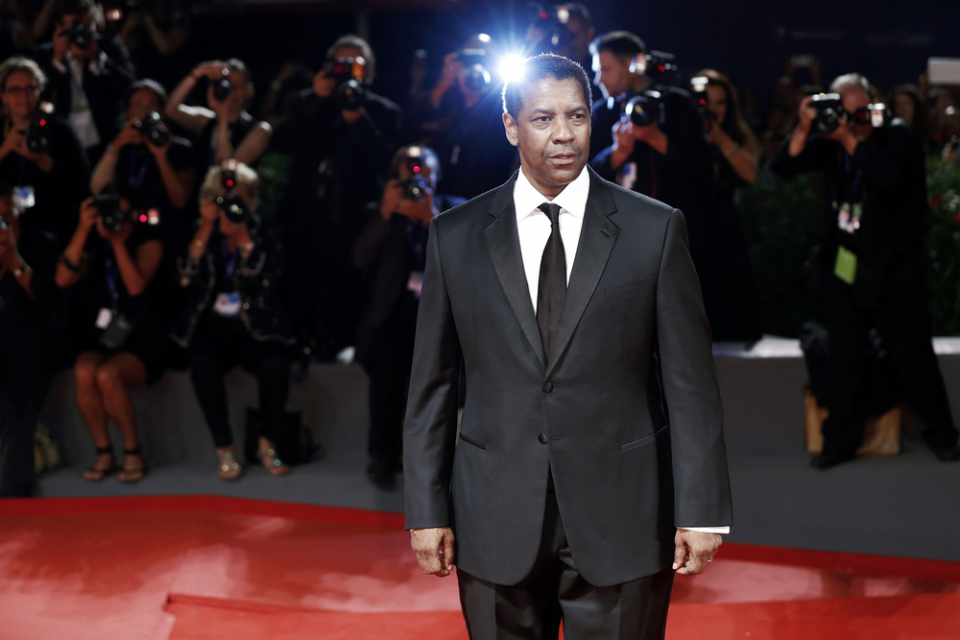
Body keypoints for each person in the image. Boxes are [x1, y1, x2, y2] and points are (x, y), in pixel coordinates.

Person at [404, 54, 732, 640]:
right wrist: (426, 510)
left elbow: (690, 381)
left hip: (624, 514)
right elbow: (431, 384)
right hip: (494, 513)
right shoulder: (454, 237)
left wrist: (702, 507)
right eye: (542, 118)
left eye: (577, 116)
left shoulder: (654, 229)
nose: (563, 134)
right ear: (510, 126)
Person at [775, 72, 960, 468]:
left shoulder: (897, 134)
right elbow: (784, 166)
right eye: (847, 112)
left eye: (862, 111)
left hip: (895, 266)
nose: (854, 120)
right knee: (845, 355)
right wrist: (805, 125)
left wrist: (848, 139)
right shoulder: (832, 137)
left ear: (875, 105)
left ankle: (943, 434)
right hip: (846, 263)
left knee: (912, 355)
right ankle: (841, 440)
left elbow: (888, 176)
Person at [272, 34, 400, 358]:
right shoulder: (311, 102)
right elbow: (283, 141)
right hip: (306, 220)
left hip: (351, 222)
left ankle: (340, 356)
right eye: (340, 63)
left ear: (368, 73)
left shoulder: (382, 111)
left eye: (355, 64)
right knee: (298, 294)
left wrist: (358, 121)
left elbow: (387, 162)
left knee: (345, 299)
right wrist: (315, 99)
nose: (347, 70)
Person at [171, 162, 296, 479]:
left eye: (238, 200)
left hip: (256, 325)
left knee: (276, 366)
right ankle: (224, 449)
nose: (231, 206)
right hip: (213, 327)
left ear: (251, 199)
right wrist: (204, 229)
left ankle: (267, 445)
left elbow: (266, 279)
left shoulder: (264, 231)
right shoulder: (203, 230)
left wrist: (241, 235)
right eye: (223, 199)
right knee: (202, 367)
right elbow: (184, 279)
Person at [352, 145, 464, 490]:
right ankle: (381, 458)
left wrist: (431, 218)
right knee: (386, 371)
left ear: (436, 174)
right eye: (407, 171)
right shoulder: (383, 212)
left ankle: (442, 464)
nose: (415, 177)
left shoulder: (455, 211)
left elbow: (466, 263)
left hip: (446, 321)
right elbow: (359, 260)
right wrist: (386, 215)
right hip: (393, 319)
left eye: (422, 170)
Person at [587, 32, 714, 312]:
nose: (598, 80)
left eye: (605, 69)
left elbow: (703, 166)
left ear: (633, 64)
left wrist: (656, 137)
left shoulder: (675, 105)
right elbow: (582, 177)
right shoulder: (599, 114)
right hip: (615, 240)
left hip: (674, 239)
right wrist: (617, 153)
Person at [55, 192, 168, 483]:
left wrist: (117, 242)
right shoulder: (92, 243)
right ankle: (103, 451)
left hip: (141, 335)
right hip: (99, 335)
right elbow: (62, 279)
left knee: (108, 375)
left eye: (121, 216)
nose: (115, 221)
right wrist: (83, 228)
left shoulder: (148, 242)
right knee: (84, 371)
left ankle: (133, 451)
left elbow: (134, 287)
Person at [0, 184, 63, 497]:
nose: (3, 225)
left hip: (32, 347)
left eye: (7, 216)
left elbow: (52, 307)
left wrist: (15, 263)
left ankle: (15, 493)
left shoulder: (41, 244)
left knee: (15, 403)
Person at [694, 69, 763, 342]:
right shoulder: (682, 137)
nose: (712, 109)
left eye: (720, 102)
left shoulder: (735, 134)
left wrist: (721, 139)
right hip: (691, 226)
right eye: (706, 102)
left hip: (725, 230)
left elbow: (751, 174)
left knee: (732, 302)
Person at [32, 0, 136, 164]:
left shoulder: (108, 47)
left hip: (105, 139)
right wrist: (57, 60)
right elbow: (37, 97)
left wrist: (97, 60)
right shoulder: (44, 55)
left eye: (87, 28)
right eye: (74, 28)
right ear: (58, 26)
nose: (81, 34)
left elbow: (129, 86)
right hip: (63, 143)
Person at [0, 55, 89, 246]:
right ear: (3, 95)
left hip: (51, 228)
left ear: (40, 90)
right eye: (15, 90)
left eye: (30, 88)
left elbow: (81, 186)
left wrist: (44, 162)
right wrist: (4, 150)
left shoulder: (59, 131)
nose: (24, 97)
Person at [90, 79, 194, 237]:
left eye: (152, 105)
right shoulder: (120, 145)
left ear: (162, 111)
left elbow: (180, 201)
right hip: (123, 226)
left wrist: (161, 157)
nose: (145, 111)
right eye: (138, 105)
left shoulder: (179, 148)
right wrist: (115, 147)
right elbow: (97, 188)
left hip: (164, 230)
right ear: (128, 111)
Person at [419, 38, 518, 200]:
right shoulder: (447, 99)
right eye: (470, 59)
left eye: (483, 59)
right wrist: (443, 83)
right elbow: (414, 125)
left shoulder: (506, 105)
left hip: (487, 203)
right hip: (441, 202)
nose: (476, 67)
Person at [165, 58, 272, 184]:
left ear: (248, 90)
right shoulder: (206, 119)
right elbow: (170, 110)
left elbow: (225, 170)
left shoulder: (260, 130)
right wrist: (197, 74)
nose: (231, 91)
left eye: (237, 86)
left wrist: (223, 117)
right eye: (227, 85)